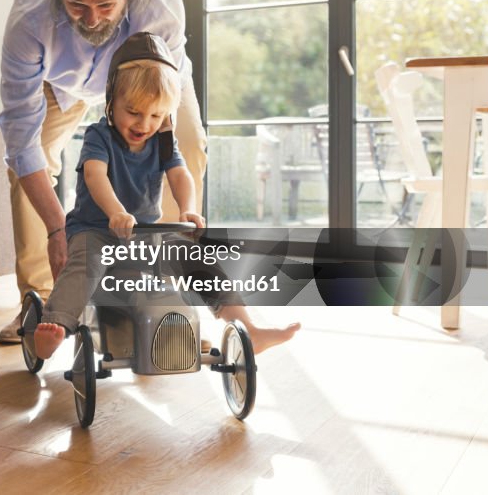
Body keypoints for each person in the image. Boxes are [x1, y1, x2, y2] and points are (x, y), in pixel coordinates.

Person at [33, 32, 300, 359]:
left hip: (145, 234)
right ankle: (57, 323)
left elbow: (180, 174)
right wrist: (115, 211)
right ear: (111, 100)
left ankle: (247, 328)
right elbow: (95, 175)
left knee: (196, 261)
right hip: (95, 231)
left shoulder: (161, 140)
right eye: (133, 111)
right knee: (85, 264)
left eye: (156, 116)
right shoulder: (99, 135)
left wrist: (188, 209)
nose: (144, 123)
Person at [0, 0, 204, 343]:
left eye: (106, 5)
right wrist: (60, 231)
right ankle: (42, 301)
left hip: (146, 83)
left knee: (189, 147)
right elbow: (20, 139)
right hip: (61, 84)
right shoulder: (29, 19)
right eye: (77, 4)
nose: (92, 19)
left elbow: (163, 106)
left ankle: (158, 304)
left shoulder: (159, 6)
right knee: (26, 166)